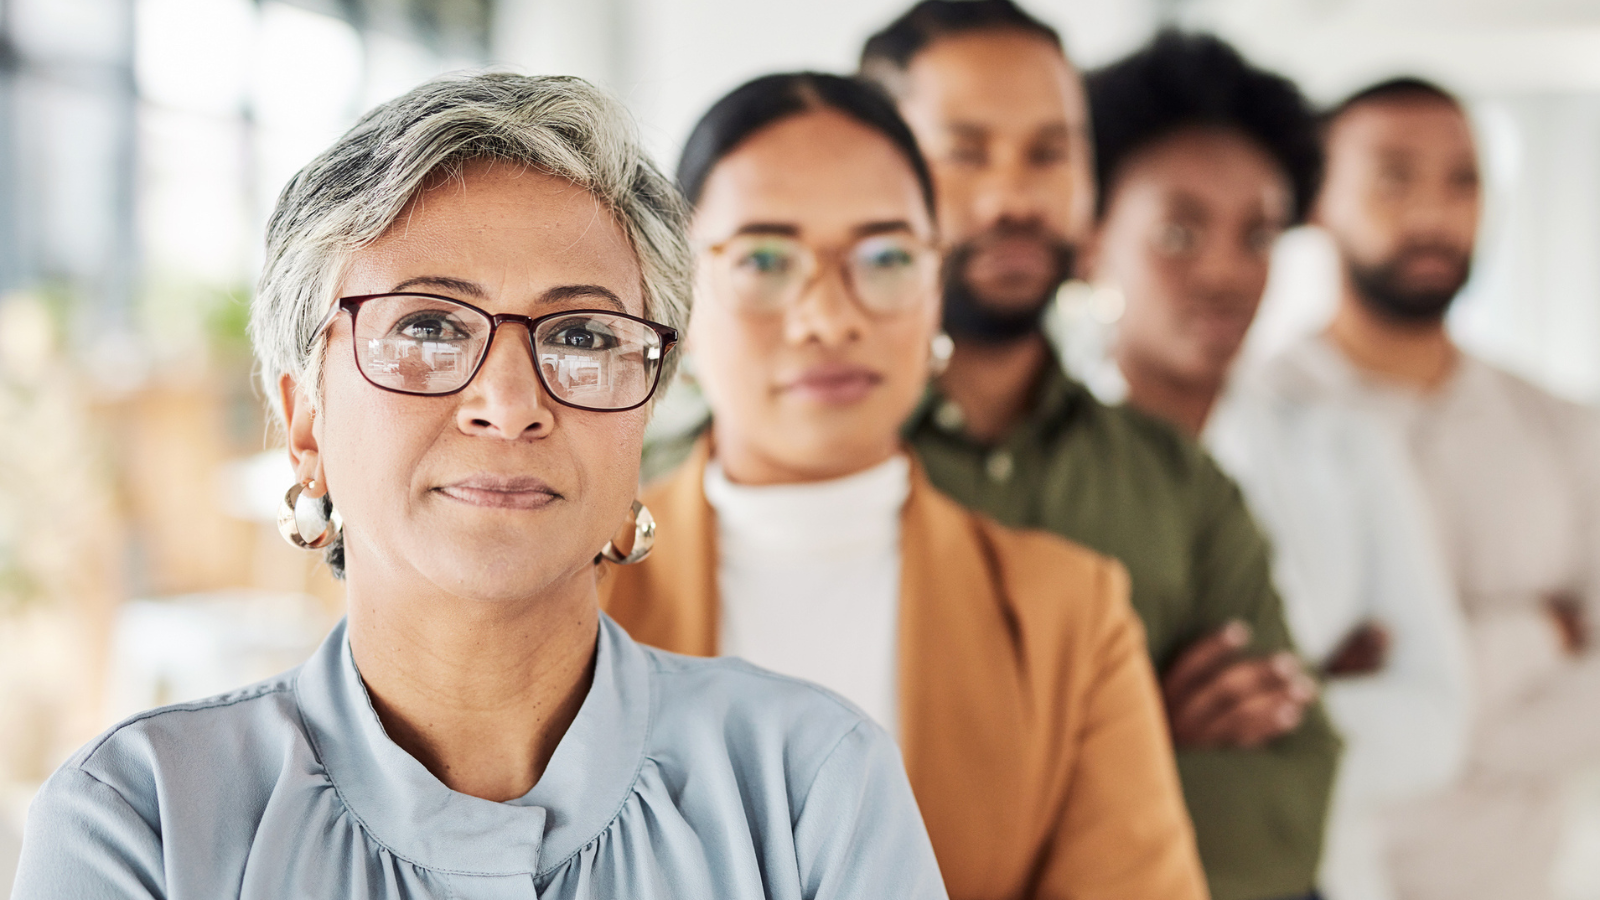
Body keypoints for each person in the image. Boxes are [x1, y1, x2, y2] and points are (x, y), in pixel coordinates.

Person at [11, 73, 948, 900]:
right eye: (427, 327)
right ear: (305, 425)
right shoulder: (140, 821)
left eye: (581, 335)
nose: (508, 404)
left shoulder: (810, 786)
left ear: (644, 421)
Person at [603, 72, 1207, 900]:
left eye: (884, 258)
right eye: (765, 260)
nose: (827, 317)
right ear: (676, 300)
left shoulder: (1068, 616)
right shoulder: (565, 594)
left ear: (936, 290)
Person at [855, 4, 1340, 899]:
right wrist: (1134, 748)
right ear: (868, 175)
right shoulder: (802, 466)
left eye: (1048, 152)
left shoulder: (1178, 481)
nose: (1014, 197)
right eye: (965, 152)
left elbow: (1281, 804)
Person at [1067, 33, 1470, 900]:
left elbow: (1436, 725)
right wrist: (1313, 683)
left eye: (1257, 234)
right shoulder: (1042, 460)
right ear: (1092, 238)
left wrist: (1195, 723)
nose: (1224, 272)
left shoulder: (1345, 447)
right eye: (1179, 231)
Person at [1272, 76, 1600, 900]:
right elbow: (1308, 717)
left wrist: (1418, 693)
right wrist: (1537, 635)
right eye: (1394, 177)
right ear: (1317, 198)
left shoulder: (1563, 428)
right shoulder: (1261, 421)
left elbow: (1372, 719)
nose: (1434, 212)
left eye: (1464, 179)